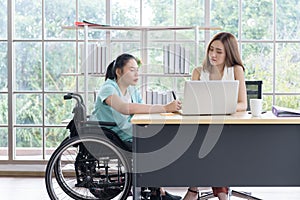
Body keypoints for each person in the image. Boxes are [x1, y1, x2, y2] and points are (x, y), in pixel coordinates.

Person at [92, 53, 182, 200]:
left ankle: (158, 190)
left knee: (162, 137)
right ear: (119, 72)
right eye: (132, 70)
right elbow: (124, 108)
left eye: (137, 70)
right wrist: (164, 108)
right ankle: (158, 191)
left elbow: (140, 109)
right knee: (155, 145)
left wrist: (164, 113)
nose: (137, 74)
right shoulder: (108, 88)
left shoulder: (132, 89)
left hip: (128, 131)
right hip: (113, 134)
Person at [182, 32, 247, 200]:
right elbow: (192, 102)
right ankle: (221, 194)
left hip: (228, 128)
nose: (213, 55)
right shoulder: (198, 72)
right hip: (202, 127)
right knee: (205, 144)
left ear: (228, 53)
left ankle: (194, 189)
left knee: (213, 145)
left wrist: (223, 109)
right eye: (211, 49)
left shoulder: (236, 70)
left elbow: (243, 104)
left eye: (219, 51)